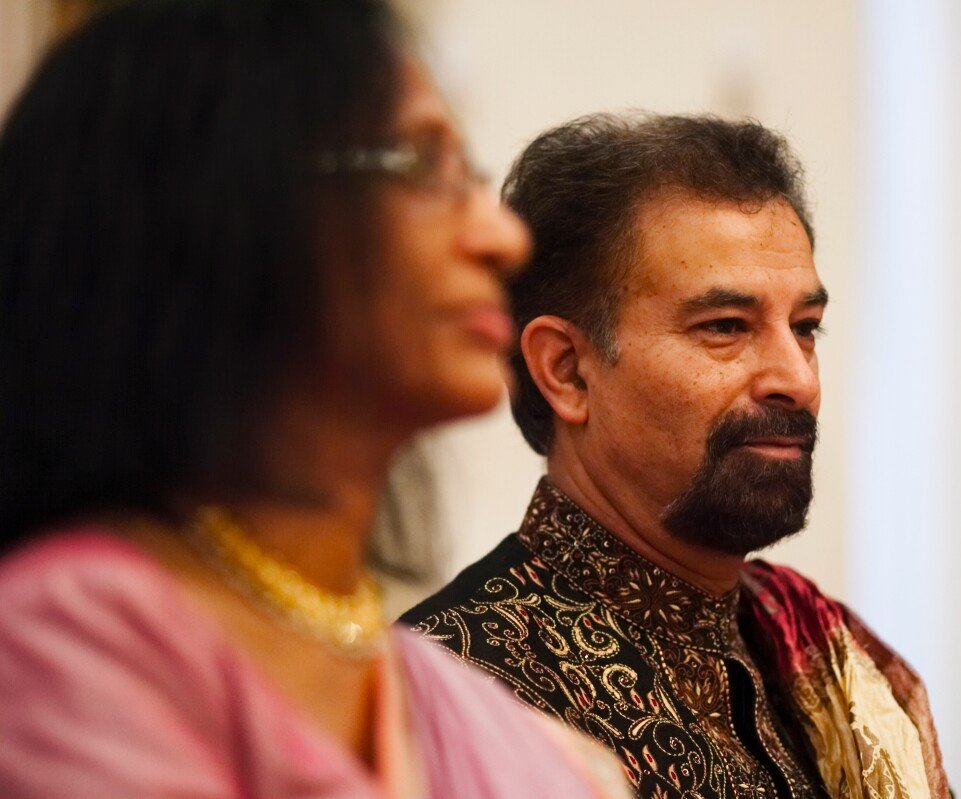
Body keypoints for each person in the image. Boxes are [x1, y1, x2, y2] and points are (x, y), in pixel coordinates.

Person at [0, 2, 629, 796]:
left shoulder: (494, 726)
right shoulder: (69, 638)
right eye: (422, 165)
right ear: (221, 205)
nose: (503, 239)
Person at [403, 114, 951, 799]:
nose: (798, 378)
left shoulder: (828, 654)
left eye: (806, 327)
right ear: (567, 371)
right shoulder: (451, 705)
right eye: (726, 327)